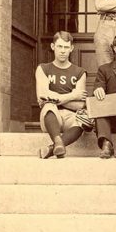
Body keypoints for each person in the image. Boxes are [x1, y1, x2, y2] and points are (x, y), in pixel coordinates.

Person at [35, 31, 88, 159]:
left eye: (66, 47)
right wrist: (72, 95)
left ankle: (54, 147)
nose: (63, 51)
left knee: (83, 120)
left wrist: (54, 98)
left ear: (71, 48)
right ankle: (57, 140)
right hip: (51, 118)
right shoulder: (43, 68)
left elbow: (80, 105)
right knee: (48, 106)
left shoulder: (80, 72)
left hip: (71, 116)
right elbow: (42, 96)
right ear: (53, 47)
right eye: (59, 47)